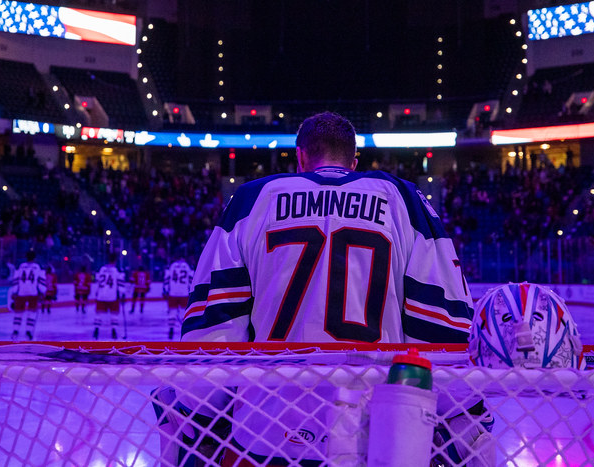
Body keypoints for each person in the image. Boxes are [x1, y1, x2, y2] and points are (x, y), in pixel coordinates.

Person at [182, 112, 475, 465]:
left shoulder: (251, 200)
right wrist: (460, 414)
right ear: (354, 162)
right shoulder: (404, 200)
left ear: (300, 158)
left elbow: (214, 327)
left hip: (267, 430)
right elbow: (440, 326)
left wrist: (198, 415)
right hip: (376, 430)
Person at [10, 251, 46, 341]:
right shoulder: (38, 267)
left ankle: (15, 331)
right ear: (34, 258)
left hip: (21, 292)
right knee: (32, 313)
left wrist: (14, 291)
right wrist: (42, 291)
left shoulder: (20, 266)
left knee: (18, 312)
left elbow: (16, 279)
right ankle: (28, 332)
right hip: (33, 293)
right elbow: (41, 280)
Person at [92, 254, 126, 340]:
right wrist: (122, 294)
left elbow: (97, 280)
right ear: (115, 260)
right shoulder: (117, 270)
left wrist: (96, 292)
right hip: (112, 295)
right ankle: (114, 330)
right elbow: (121, 284)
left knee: (99, 313)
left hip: (101, 295)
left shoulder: (101, 269)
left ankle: (96, 329)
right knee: (114, 314)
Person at [163, 255, 193, 341]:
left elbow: (166, 278)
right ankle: (185, 329)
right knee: (184, 312)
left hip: (173, 293)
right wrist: (191, 290)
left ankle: (171, 329)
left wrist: (165, 289)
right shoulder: (187, 266)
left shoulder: (171, 266)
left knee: (172, 312)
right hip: (184, 293)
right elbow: (191, 279)